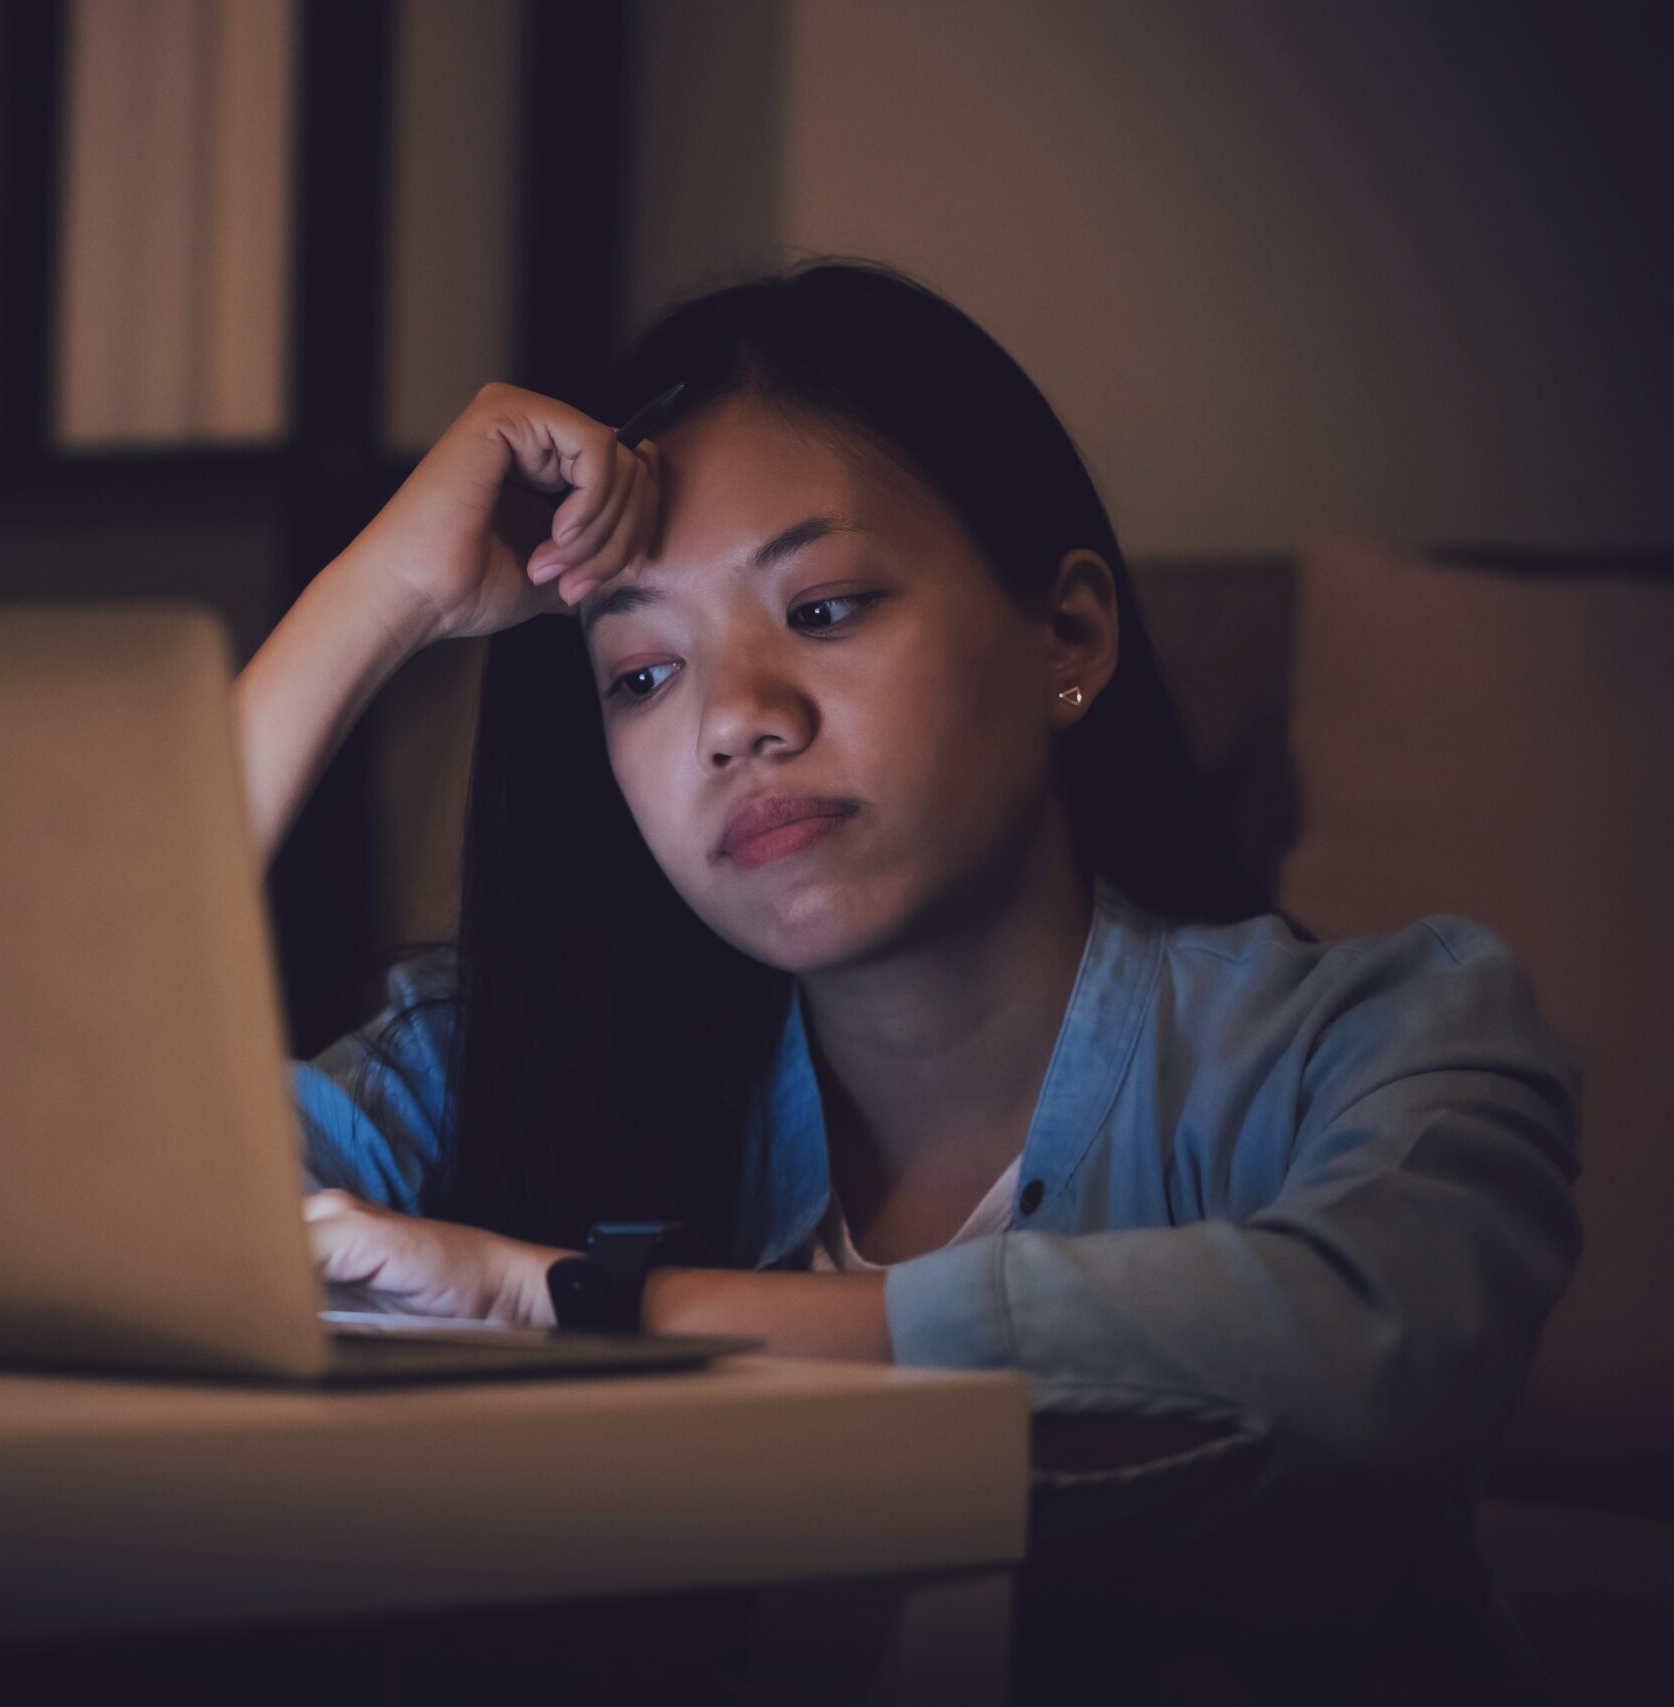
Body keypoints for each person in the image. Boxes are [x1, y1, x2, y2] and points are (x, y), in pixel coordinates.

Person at [231, 259, 1581, 1703]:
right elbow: (60, 1210)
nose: (738, 721)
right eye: (640, 674)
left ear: (1069, 634)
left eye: (822, 610)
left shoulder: (1378, 1039)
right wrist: (371, 598)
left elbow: (1357, 1368)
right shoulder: (500, 1056)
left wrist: (578, 1313)